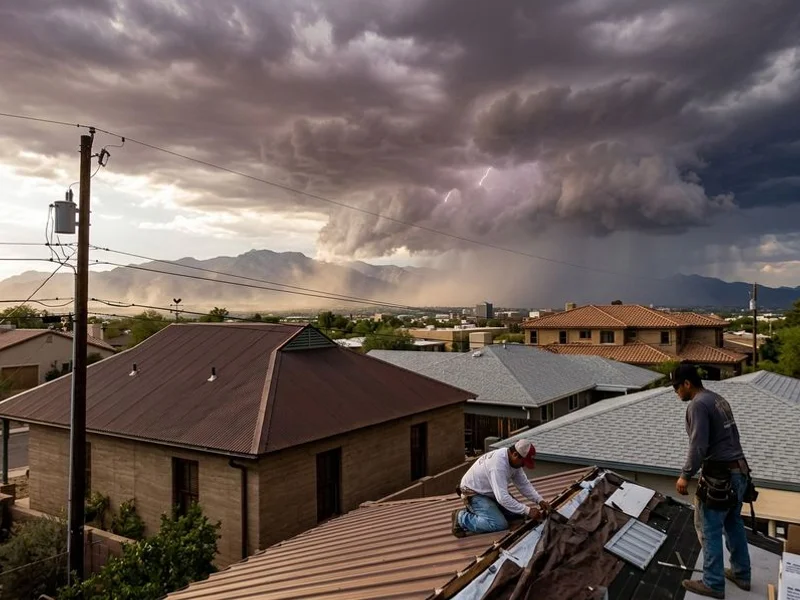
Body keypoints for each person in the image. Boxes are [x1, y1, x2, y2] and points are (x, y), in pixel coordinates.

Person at [672, 364, 752, 599]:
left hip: (720, 476)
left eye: (677, 387)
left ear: (687, 384)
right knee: (734, 524)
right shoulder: (717, 399)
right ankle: (742, 574)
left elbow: (698, 445)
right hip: (739, 472)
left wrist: (685, 475)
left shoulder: (698, 404)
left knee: (710, 529)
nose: (676, 392)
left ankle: (713, 583)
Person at [452, 439, 550, 537]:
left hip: (490, 492)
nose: (523, 466)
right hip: (474, 494)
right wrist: (528, 510)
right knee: (499, 524)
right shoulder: (498, 466)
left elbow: (523, 484)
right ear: (515, 454)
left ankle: (488, 511)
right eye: (523, 462)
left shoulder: (514, 462)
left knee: (517, 514)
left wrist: (539, 500)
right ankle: (461, 517)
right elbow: (502, 498)